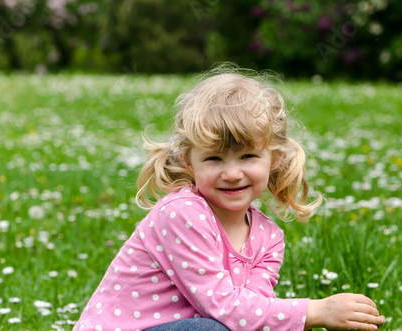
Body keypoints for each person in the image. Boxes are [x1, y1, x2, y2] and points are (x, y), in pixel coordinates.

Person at [73, 65, 385, 331]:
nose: (232, 173)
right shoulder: (182, 212)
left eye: (248, 156)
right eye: (214, 159)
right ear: (187, 161)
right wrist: (316, 312)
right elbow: (224, 308)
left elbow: (252, 315)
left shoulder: (268, 237)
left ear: (274, 158)